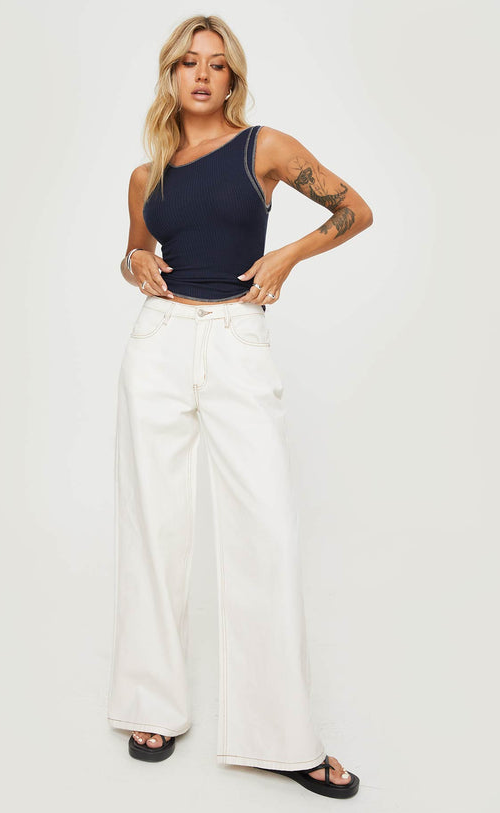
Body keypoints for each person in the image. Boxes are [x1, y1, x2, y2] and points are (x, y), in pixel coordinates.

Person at [107, 14, 373, 800]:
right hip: (158, 341)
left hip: (236, 339)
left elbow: (355, 210)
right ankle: (151, 703)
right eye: (188, 62)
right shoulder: (146, 174)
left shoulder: (265, 148)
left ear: (232, 78)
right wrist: (134, 260)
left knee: (266, 529)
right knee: (153, 524)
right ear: (171, 74)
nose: (201, 74)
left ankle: (280, 736)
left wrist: (288, 253)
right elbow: (135, 252)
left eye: (216, 64)